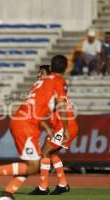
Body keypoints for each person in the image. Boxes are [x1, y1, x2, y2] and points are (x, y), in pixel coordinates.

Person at [0, 55, 70, 200]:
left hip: (20, 120)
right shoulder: (59, 81)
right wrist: (65, 128)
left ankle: (7, 194)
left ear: (51, 68)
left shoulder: (39, 83)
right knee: (35, 165)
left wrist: (46, 127)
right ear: (66, 69)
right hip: (27, 124)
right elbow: (61, 105)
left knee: (31, 164)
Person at [28, 65, 79, 195]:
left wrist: (65, 129)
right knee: (51, 154)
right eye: (38, 72)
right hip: (59, 127)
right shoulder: (48, 88)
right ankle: (62, 184)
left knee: (45, 153)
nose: (38, 75)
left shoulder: (51, 89)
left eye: (41, 73)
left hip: (63, 127)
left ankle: (43, 187)